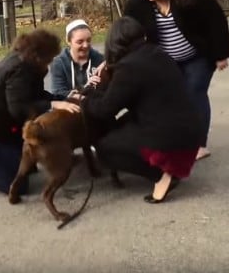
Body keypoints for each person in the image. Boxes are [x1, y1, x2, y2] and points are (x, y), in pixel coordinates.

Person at [81, 17, 204, 204]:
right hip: (190, 131)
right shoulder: (158, 53)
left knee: (105, 147)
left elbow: (105, 109)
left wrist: (86, 97)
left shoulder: (128, 67)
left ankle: (161, 174)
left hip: (169, 136)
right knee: (122, 124)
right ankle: (167, 167)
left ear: (114, 42)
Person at [123, 0, 229, 161]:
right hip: (166, 60)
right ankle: (175, 140)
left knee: (193, 93)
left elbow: (215, 19)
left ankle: (199, 145)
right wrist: (124, 57)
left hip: (197, 55)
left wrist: (220, 54)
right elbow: (127, 26)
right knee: (168, 99)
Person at [0, 28, 81, 194]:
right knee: (19, 184)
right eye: (50, 58)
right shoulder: (19, 70)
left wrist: (63, 99)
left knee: (30, 165)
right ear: (39, 56)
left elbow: (34, 95)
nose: (51, 62)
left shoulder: (28, 63)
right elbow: (19, 109)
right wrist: (53, 104)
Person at [50, 18, 105, 100]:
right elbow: (58, 93)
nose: (86, 45)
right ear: (68, 41)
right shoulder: (59, 63)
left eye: (88, 40)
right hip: (68, 110)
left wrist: (106, 63)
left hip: (95, 109)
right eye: (80, 42)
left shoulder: (99, 59)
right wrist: (86, 88)